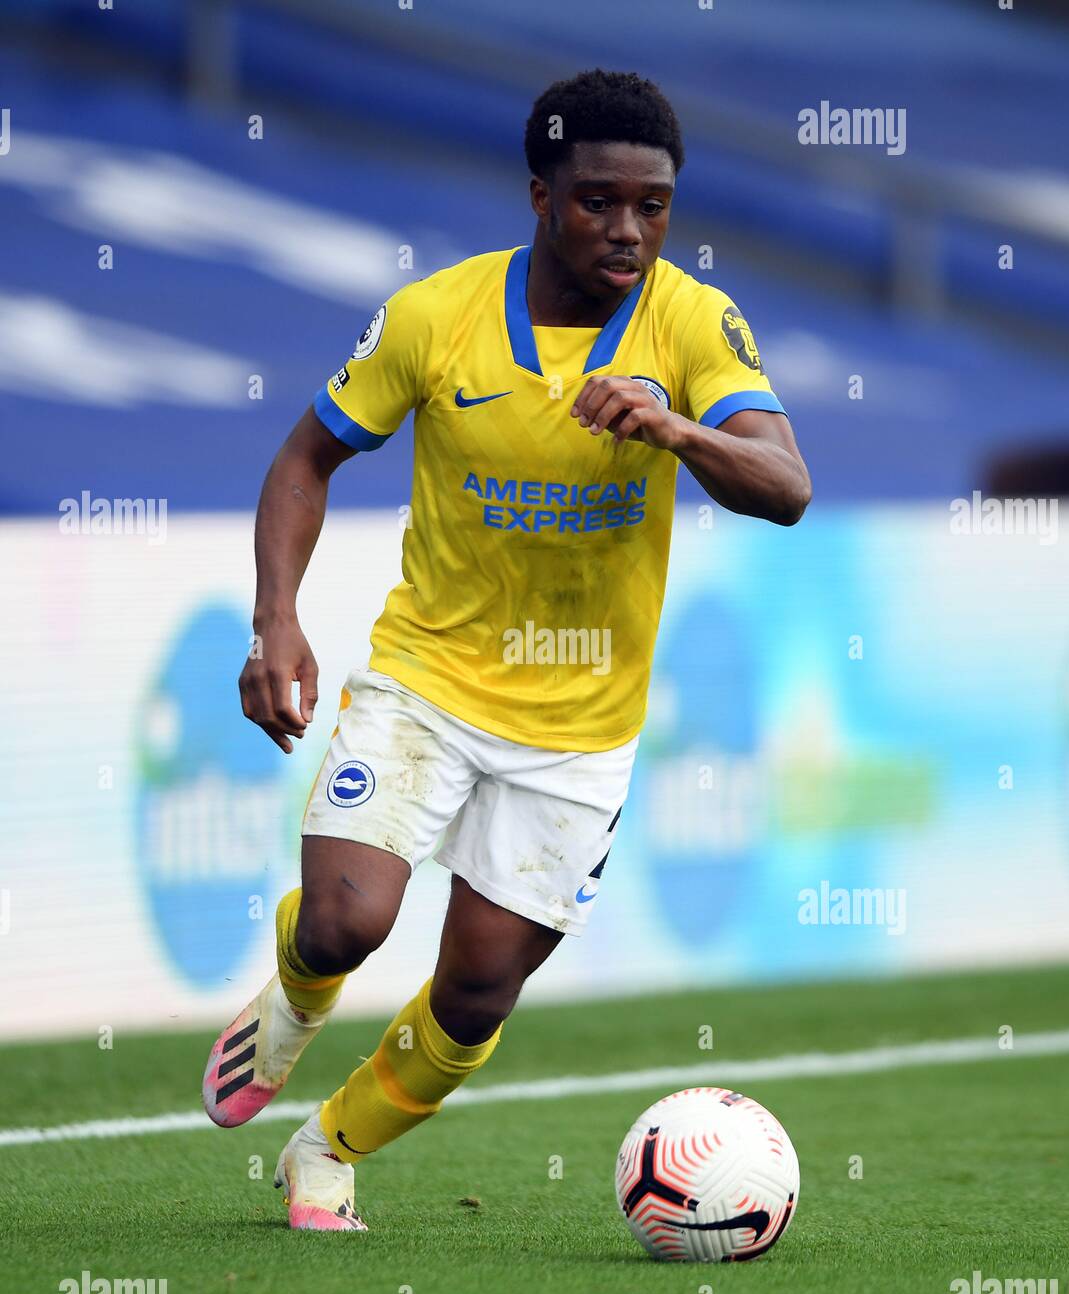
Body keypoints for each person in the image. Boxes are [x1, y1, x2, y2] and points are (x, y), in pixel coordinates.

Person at [202, 68, 811, 1231]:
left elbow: (786, 486)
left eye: (653, 205)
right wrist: (275, 616)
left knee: (476, 992)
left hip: (582, 727)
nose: (628, 230)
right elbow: (304, 458)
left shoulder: (691, 322)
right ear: (540, 195)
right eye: (598, 202)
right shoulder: (438, 315)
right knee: (344, 923)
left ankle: (324, 1151)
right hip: (429, 677)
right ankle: (290, 1002)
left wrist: (677, 427)